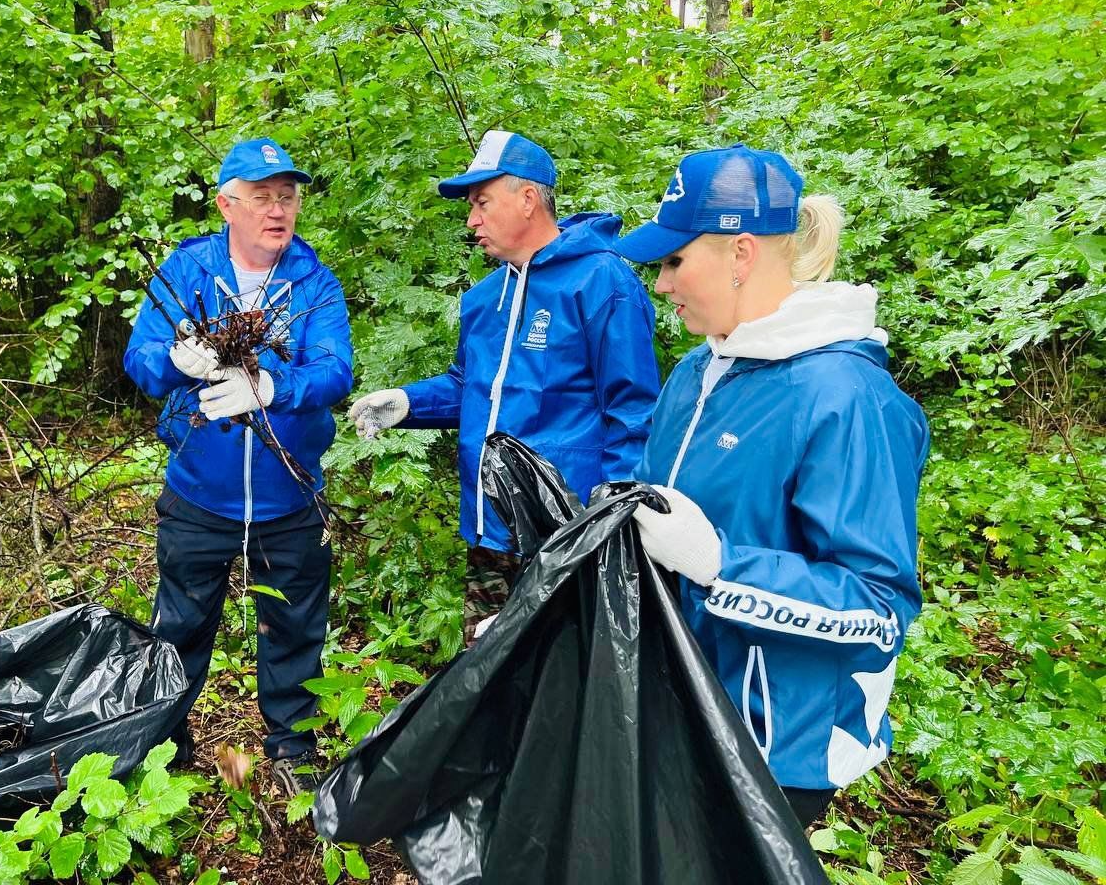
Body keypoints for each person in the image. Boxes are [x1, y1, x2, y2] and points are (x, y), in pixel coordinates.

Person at [617, 143, 928, 828]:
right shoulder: (697, 373)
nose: (661, 285)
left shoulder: (846, 398)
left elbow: (879, 611)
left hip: (775, 749)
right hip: (678, 713)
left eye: (674, 261)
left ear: (741, 252)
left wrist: (720, 565)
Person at [347, 130, 660, 640]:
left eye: (482, 203)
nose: (471, 221)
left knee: (562, 676)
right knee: (486, 670)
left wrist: (611, 518)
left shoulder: (601, 282)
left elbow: (634, 411)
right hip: (489, 529)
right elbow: (470, 387)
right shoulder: (484, 298)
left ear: (529, 198)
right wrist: (406, 402)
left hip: (567, 532)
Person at [124, 138, 353, 797]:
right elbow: (140, 361)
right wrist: (178, 361)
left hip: (291, 495)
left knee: (294, 626)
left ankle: (292, 750)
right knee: (180, 627)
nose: (278, 210)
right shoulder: (187, 270)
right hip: (201, 494)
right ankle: (165, 747)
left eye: (287, 196)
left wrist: (274, 388)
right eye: (261, 197)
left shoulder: (313, 281)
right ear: (227, 204)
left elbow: (335, 369)